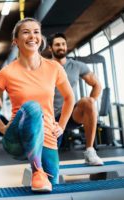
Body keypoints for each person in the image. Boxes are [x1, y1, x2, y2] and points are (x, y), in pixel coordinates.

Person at [0, 18, 74, 192]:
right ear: (15, 41)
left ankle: (40, 172)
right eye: (26, 32)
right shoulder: (7, 73)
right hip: (17, 140)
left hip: (47, 136)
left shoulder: (54, 68)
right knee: (33, 107)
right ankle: (37, 171)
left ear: (41, 38)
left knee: (51, 187)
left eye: (36, 32)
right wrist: (2, 128)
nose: (32, 36)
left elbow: (70, 98)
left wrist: (61, 126)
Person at [48, 32, 104, 166]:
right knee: (48, 162)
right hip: (51, 117)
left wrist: (91, 108)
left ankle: (90, 151)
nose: (61, 47)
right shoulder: (44, 67)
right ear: (50, 48)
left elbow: (97, 84)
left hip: (71, 114)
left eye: (63, 44)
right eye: (57, 45)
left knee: (88, 102)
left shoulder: (77, 66)